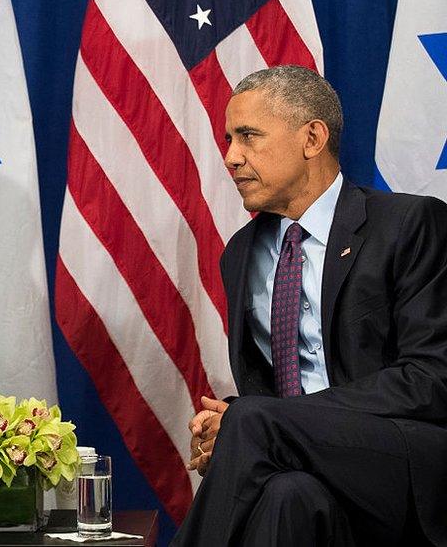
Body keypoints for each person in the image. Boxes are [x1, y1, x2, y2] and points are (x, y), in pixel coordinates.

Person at [172, 66, 447, 545]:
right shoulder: (240, 254)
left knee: (252, 419)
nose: (231, 157)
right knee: (287, 495)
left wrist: (269, 421)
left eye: (248, 136)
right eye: (228, 139)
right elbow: (269, 398)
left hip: (404, 460)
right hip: (299, 463)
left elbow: (431, 379)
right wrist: (245, 423)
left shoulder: (407, 224)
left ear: (313, 138)